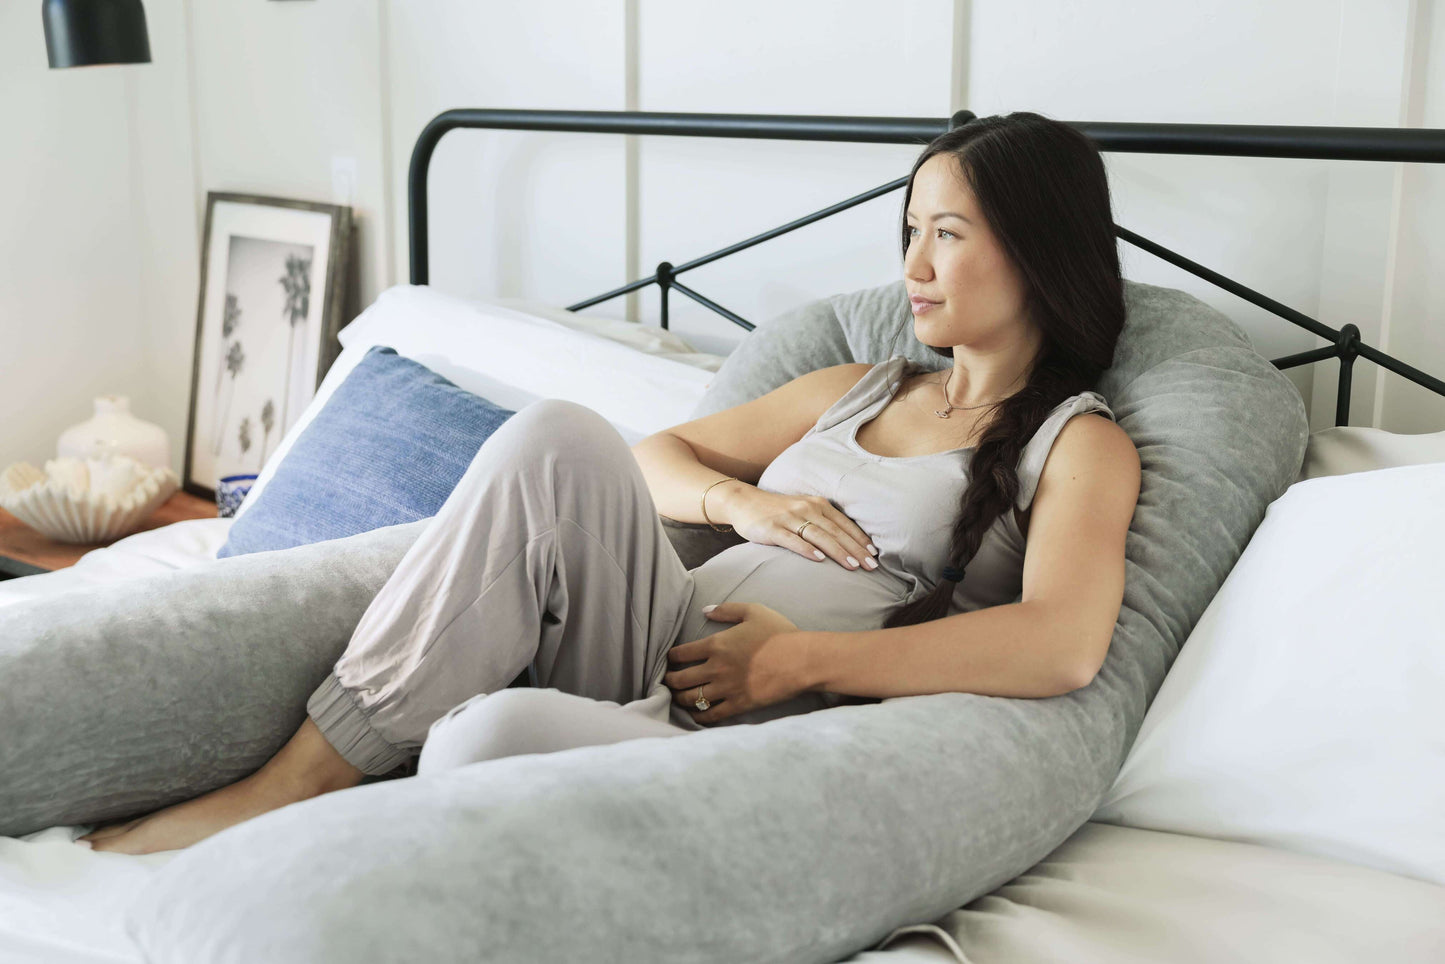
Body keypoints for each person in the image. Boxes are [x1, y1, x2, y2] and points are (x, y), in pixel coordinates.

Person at [78, 111, 1140, 855]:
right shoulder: (857, 386)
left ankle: (360, 821)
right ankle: (298, 779)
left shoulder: (1075, 442)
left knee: (482, 741)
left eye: (944, 235)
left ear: (1034, 251)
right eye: (907, 231)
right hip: (658, 646)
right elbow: (648, 462)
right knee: (558, 437)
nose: (910, 265)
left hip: (772, 724)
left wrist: (795, 659)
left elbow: (1059, 642)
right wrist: (742, 501)